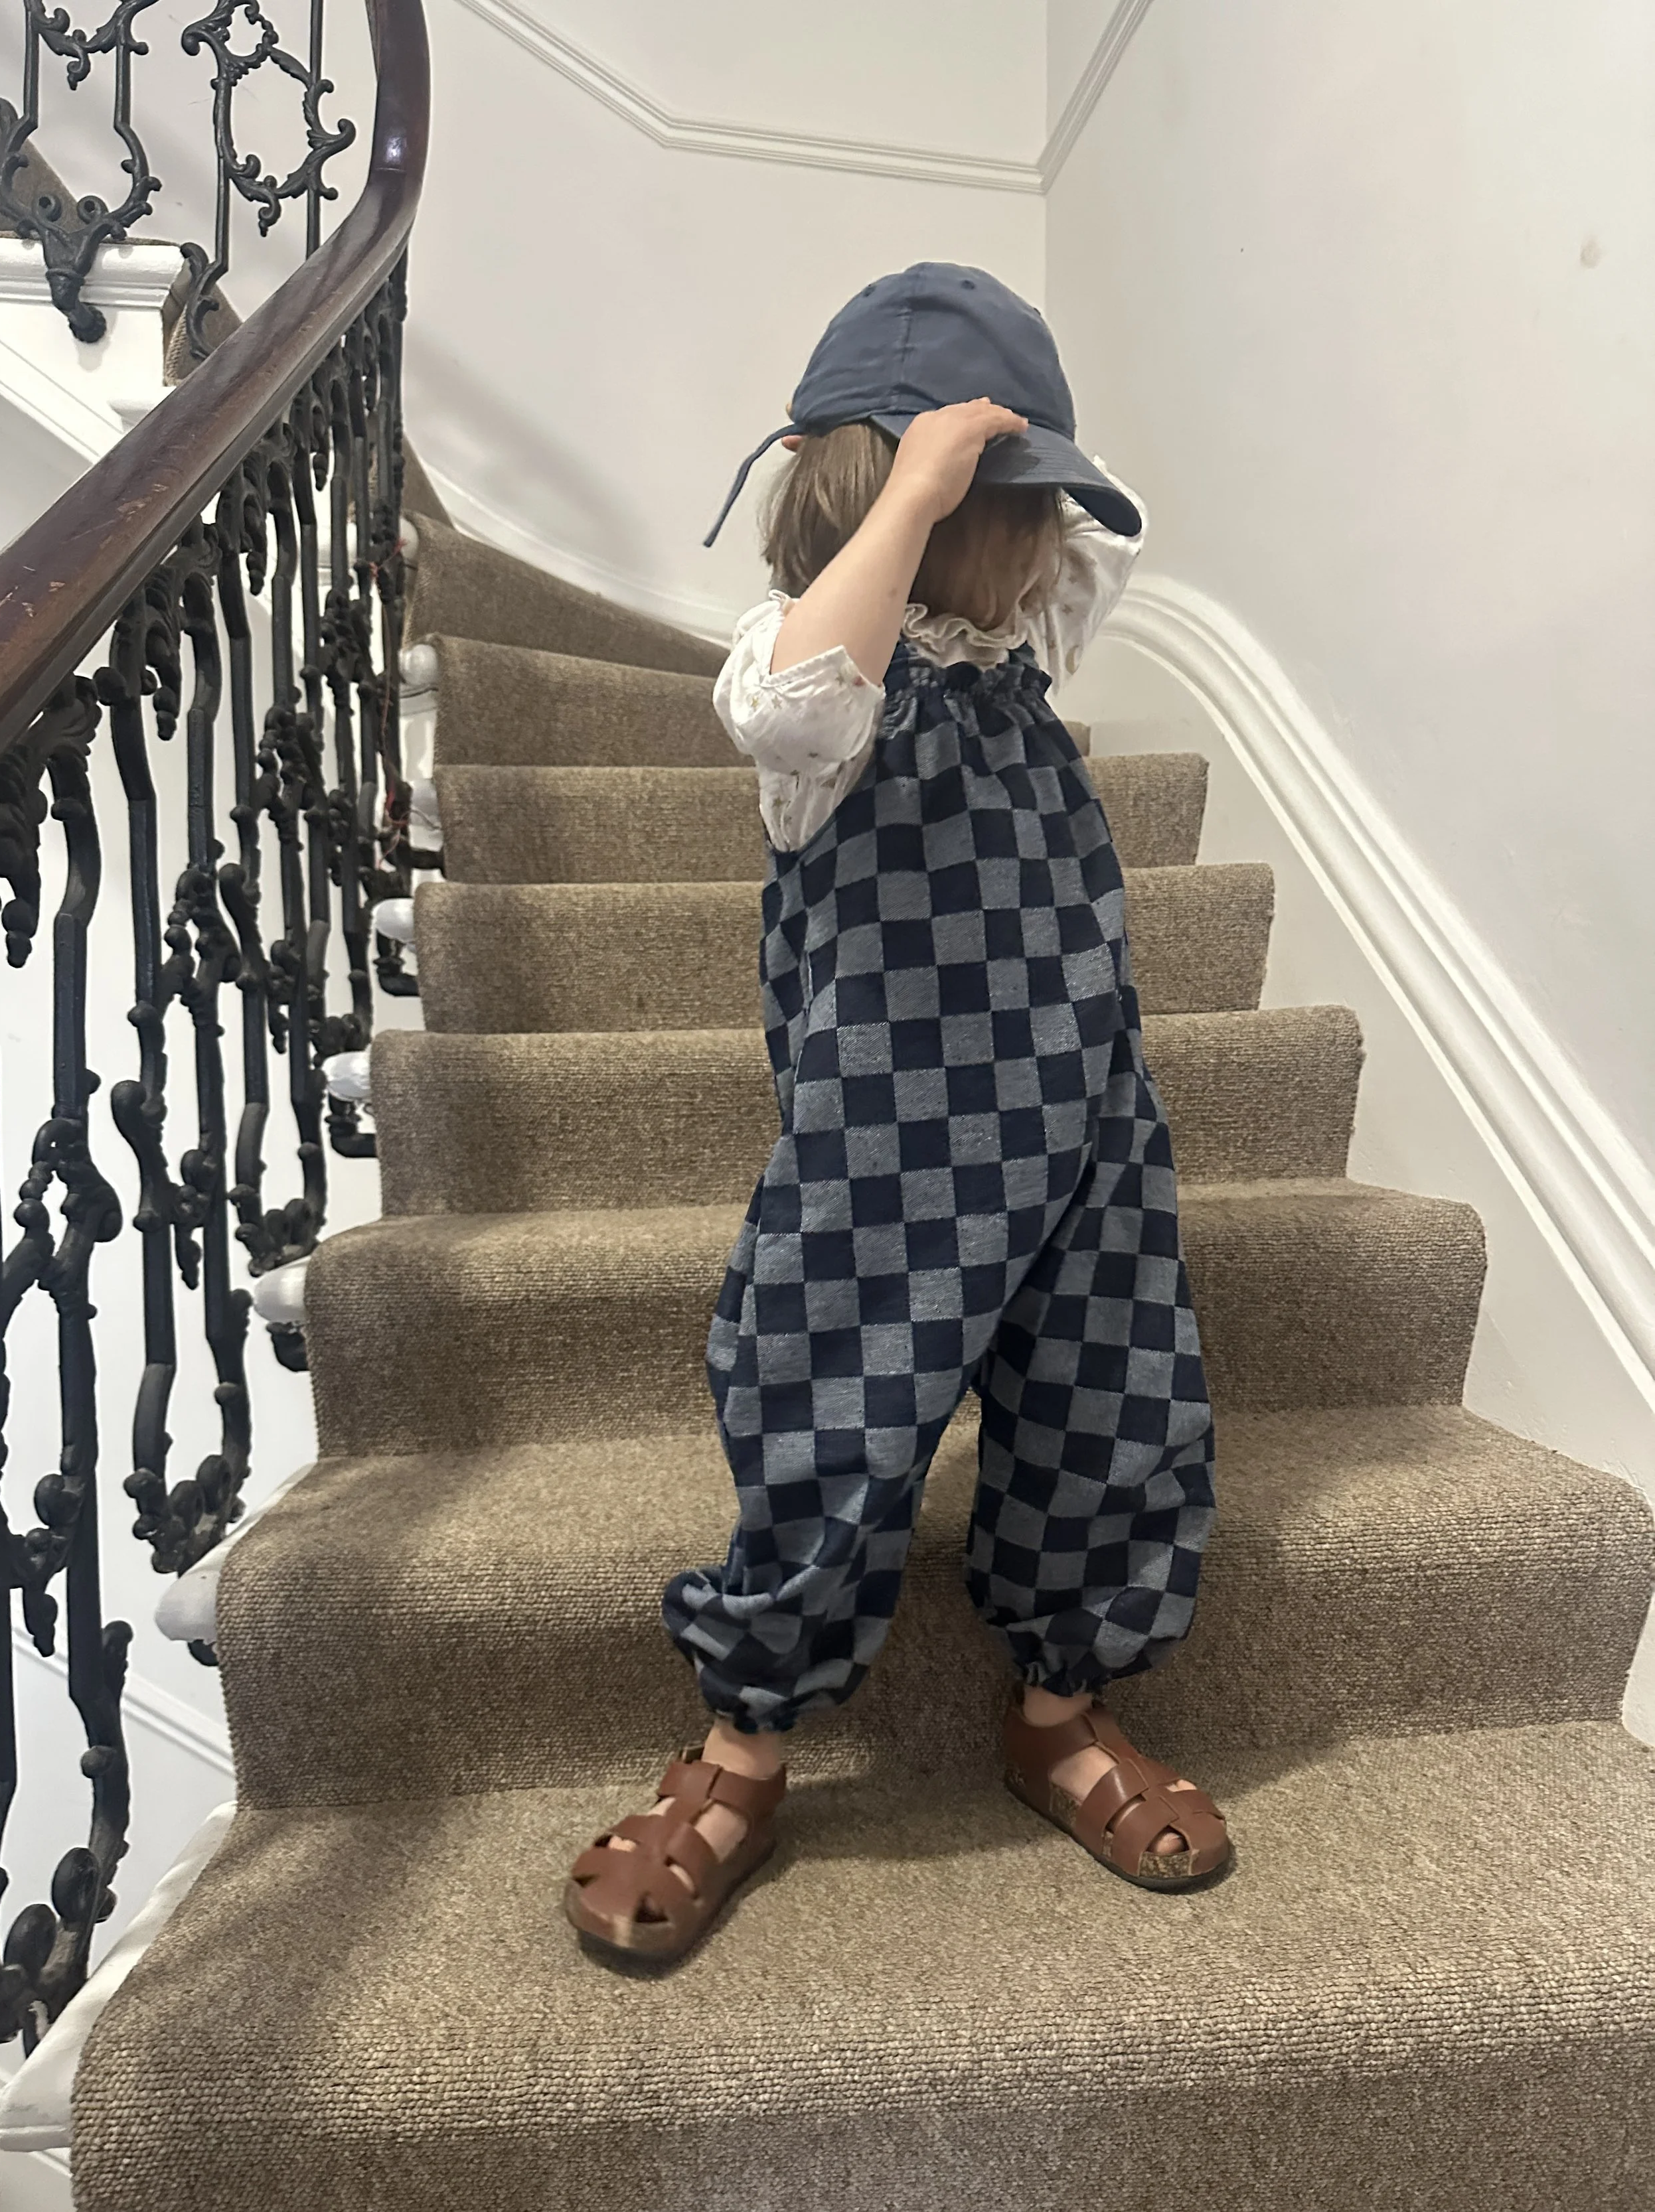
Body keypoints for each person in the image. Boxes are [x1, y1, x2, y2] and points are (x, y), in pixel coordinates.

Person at [565, 262, 1228, 1966]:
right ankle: (742, 1747)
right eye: (997, 513)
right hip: (890, 1150)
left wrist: (998, 446)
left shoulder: (1026, 655)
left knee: (1114, 1407)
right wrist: (912, 477)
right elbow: (791, 689)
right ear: (875, 505)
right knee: (821, 1425)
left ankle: (1056, 1709)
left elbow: (1109, 548)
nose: (1033, 549)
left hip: (1082, 1117)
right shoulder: (820, 709)